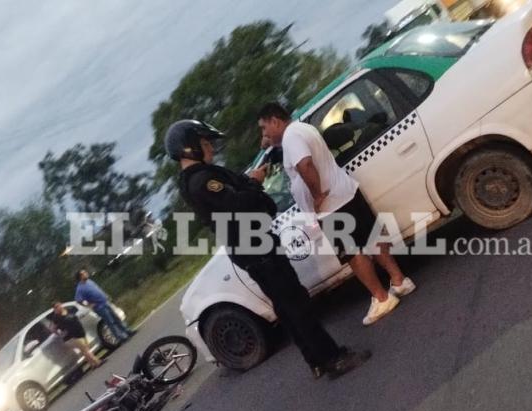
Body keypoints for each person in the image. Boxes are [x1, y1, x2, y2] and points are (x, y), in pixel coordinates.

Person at [165, 119, 370, 380]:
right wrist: (254, 182)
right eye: (205, 143)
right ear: (189, 147)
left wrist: (248, 181)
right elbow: (240, 205)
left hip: (250, 247)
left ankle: (315, 361)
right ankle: (333, 359)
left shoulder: (194, 181)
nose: (210, 149)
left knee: (286, 307)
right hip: (256, 248)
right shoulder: (202, 181)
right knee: (297, 303)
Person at [257, 102, 416, 326]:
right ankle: (399, 280)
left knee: (352, 253)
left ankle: (381, 298)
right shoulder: (303, 128)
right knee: (371, 238)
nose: (263, 133)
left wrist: (317, 195)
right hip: (345, 191)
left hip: (331, 205)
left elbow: (305, 165)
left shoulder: (291, 137)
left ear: (275, 121)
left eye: (264, 128)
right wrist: (267, 144)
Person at [74, 269, 133, 342]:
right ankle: (121, 337)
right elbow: (78, 300)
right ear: (80, 277)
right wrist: (89, 305)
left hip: (105, 302)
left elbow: (97, 289)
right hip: (99, 307)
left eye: (85, 272)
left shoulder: (89, 281)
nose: (86, 273)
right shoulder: (80, 288)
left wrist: (106, 295)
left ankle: (127, 331)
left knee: (116, 318)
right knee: (110, 322)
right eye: (84, 273)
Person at [47, 302, 102, 369]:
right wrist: (60, 333)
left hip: (79, 332)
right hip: (70, 337)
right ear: (54, 309)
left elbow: (75, 318)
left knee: (84, 350)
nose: (59, 307)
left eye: (59, 305)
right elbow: (52, 328)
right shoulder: (56, 317)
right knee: (85, 349)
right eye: (56, 307)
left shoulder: (67, 310)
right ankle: (97, 362)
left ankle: (92, 364)